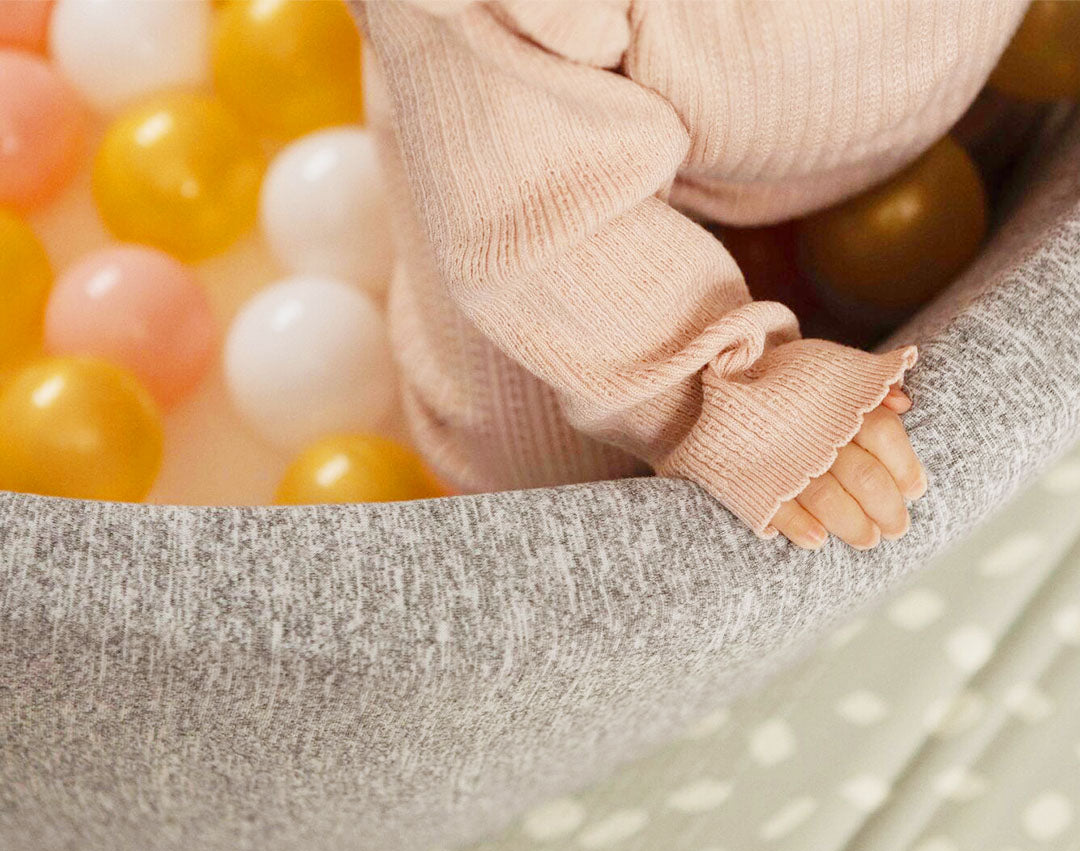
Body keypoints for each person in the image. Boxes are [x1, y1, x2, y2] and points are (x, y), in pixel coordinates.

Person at [355, 0, 1027, 549]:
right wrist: (737, 396)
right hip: (542, 141)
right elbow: (540, 211)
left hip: (893, 85)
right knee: (542, 485)